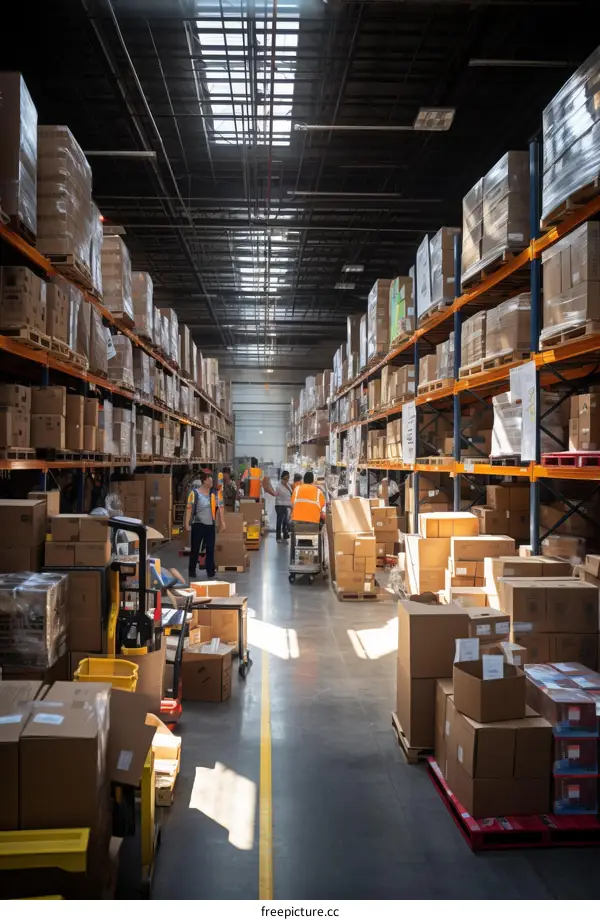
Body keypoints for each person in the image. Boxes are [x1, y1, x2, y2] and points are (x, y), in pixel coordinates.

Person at [185, 471, 225, 580]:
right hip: (198, 524)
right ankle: (192, 570)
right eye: (210, 479)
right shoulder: (194, 494)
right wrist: (186, 523)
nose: (212, 481)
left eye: (212, 479)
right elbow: (188, 509)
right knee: (195, 549)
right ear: (204, 480)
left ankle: (210, 571)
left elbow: (220, 508)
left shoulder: (214, 494)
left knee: (210, 549)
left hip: (210, 526)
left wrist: (222, 522)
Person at [274, 470, 292, 543]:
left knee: (285, 521)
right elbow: (283, 495)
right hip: (280, 505)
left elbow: (290, 494)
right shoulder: (278, 486)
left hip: (287, 505)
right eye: (285, 478)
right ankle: (278, 537)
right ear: (282, 477)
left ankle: (285, 534)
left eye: (288, 478)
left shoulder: (288, 485)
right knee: (279, 521)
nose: (287, 480)